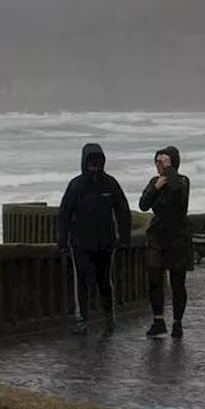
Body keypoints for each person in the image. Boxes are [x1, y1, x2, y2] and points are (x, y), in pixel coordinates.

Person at [56, 143, 133, 335]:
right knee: (81, 281)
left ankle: (109, 319)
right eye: (91, 163)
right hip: (80, 243)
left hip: (106, 242)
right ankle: (81, 321)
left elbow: (123, 211)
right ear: (84, 163)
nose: (94, 167)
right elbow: (64, 214)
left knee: (105, 281)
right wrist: (62, 241)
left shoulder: (110, 184)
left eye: (98, 163)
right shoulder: (76, 185)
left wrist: (124, 238)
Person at [138, 145, 191, 339]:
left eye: (164, 162)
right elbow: (143, 204)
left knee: (177, 282)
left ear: (172, 163)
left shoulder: (182, 180)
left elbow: (178, 192)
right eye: (157, 161)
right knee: (153, 278)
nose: (159, 165)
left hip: (177, 237)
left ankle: (177, 322)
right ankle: (158, 320)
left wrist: (169, 172)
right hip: (157, 235)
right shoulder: (154, 181)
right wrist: (155, 187)